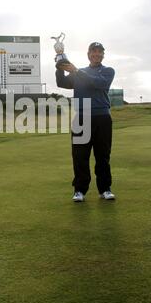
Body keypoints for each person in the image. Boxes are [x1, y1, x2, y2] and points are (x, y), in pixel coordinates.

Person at [56, 42, 116, 202]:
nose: (96, 54)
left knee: (102, 156)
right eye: (93, 52)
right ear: (88, 54)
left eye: (99, 52)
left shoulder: (108, 71)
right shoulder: (79, 72)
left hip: (102, 117)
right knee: (80, 156)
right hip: (82, 117)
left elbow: (98, 83)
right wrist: (59, 67)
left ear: (103, 55)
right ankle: (79, 190)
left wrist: (76, 70)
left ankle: (105, 189)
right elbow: (62, 83)